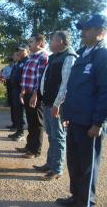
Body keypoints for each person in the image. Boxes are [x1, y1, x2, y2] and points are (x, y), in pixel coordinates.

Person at [56, 14, 107, 207]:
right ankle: (76, 197)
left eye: (88, 29)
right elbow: (74, 88)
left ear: (100, 32)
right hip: (75, 119)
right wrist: (67, 114)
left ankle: (86, 202)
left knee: (88, 166)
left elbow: (105, 91)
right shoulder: (82, 53)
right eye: (83, 28)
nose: (83, 32)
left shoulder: (102, 56)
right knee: (74, 162)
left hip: (90, 123)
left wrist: (98, 122)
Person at [35, 31, 77, 181]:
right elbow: (45, 80)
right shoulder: (54, 57)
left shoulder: (69, 57)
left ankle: (56, 169)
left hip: (57, 105)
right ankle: (50, 164)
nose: (49, 43)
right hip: (48, 102)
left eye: (51, 40)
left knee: (58, 136)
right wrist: (41, 97)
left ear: (59, 41)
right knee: (51, 135)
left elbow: (66, 84)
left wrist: (57, 104)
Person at [16, 33, 48, 159]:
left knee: (37, 123)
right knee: (30, 121)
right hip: (27, 92)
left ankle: (35, 150)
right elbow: (26, 75)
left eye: (31, 41)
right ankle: (29, 146)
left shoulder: (43, 57)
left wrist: (35, 94)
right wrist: (23, 90)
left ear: (39, 43)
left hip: (36, 94)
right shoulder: (31, 57)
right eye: (29, 42)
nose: (29, 44)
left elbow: (40, 78)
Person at [8, 44, 29, 141]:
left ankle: (21, 133)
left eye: (21, 51)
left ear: (26, 50)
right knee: (17, 112)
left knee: (21, 113)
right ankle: (18, 131)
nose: (18, 53)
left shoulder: (27, 61)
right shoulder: (20, 62)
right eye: (18, 51)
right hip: (15, 90)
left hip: (22, 91)